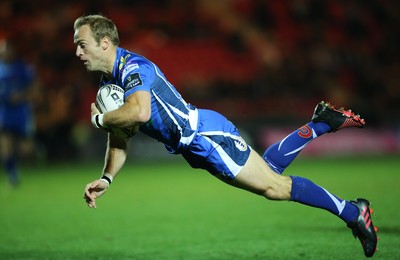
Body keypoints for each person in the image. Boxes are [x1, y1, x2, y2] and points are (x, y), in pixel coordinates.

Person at [74, 15, 378, 257]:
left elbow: (138, 112)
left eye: (82, 44)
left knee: (275, 187)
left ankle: (354, 213)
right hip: (199, 144)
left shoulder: (133, 69)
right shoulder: (110, 81)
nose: (77, 51)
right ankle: (320, 124)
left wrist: (100, 119)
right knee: (270, 173)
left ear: (104, 43)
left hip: (206, 138)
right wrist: (107, 178)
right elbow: (121, 135)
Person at [0, 37, 37, 186]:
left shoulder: (22, 67)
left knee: (26, 149)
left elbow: (34, 87)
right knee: (5, 144)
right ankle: (12, 173)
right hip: (4, 112)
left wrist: (21, 95)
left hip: (21, 112)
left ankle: (37, 155)